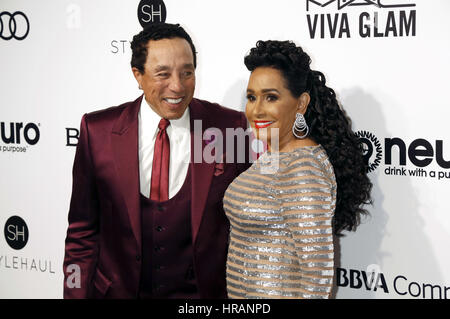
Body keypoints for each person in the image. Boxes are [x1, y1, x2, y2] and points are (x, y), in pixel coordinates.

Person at [63, 23, 250, 298]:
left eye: (187, 73)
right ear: (138, 75)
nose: (177, 86)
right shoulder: (97, 131)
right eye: (163, 74)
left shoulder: (227, 127)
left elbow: (248, 221)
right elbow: (82, 233)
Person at [224, 40, 372, 299]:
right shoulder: (274, 156)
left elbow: (317, 277)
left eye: (271, 97)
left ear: (301, 103)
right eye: (251, 97)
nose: (256, 110)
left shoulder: (303, 167)